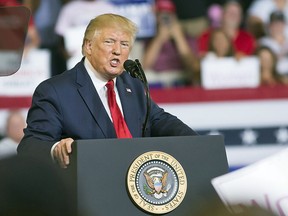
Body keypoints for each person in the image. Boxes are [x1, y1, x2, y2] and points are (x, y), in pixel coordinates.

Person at [17, 13, 198, 168]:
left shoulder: (132, 83)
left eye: (125, 44)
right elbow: (30, 146)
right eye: (110, 42)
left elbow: (159, 119)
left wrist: (198, 142)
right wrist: (56, 149)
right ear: (88, 46)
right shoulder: (55, 91)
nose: (117, 51)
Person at [142, 0, 200, 87]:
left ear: (174, 16)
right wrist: (159, 39)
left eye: (169, 14)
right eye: (161, 14)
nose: (165, 18)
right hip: (157, 82)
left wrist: (179, 38)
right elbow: (144, 66)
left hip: (181, 81)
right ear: (156, 17)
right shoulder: (150, 38)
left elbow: (193, 66)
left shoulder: (186, 37)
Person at [258, 10, 288, 77]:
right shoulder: (264, 42)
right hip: (274, 77)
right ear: (269, 25)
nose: (278, 26)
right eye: (275, 23)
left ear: (285, 24)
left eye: (280, 23)